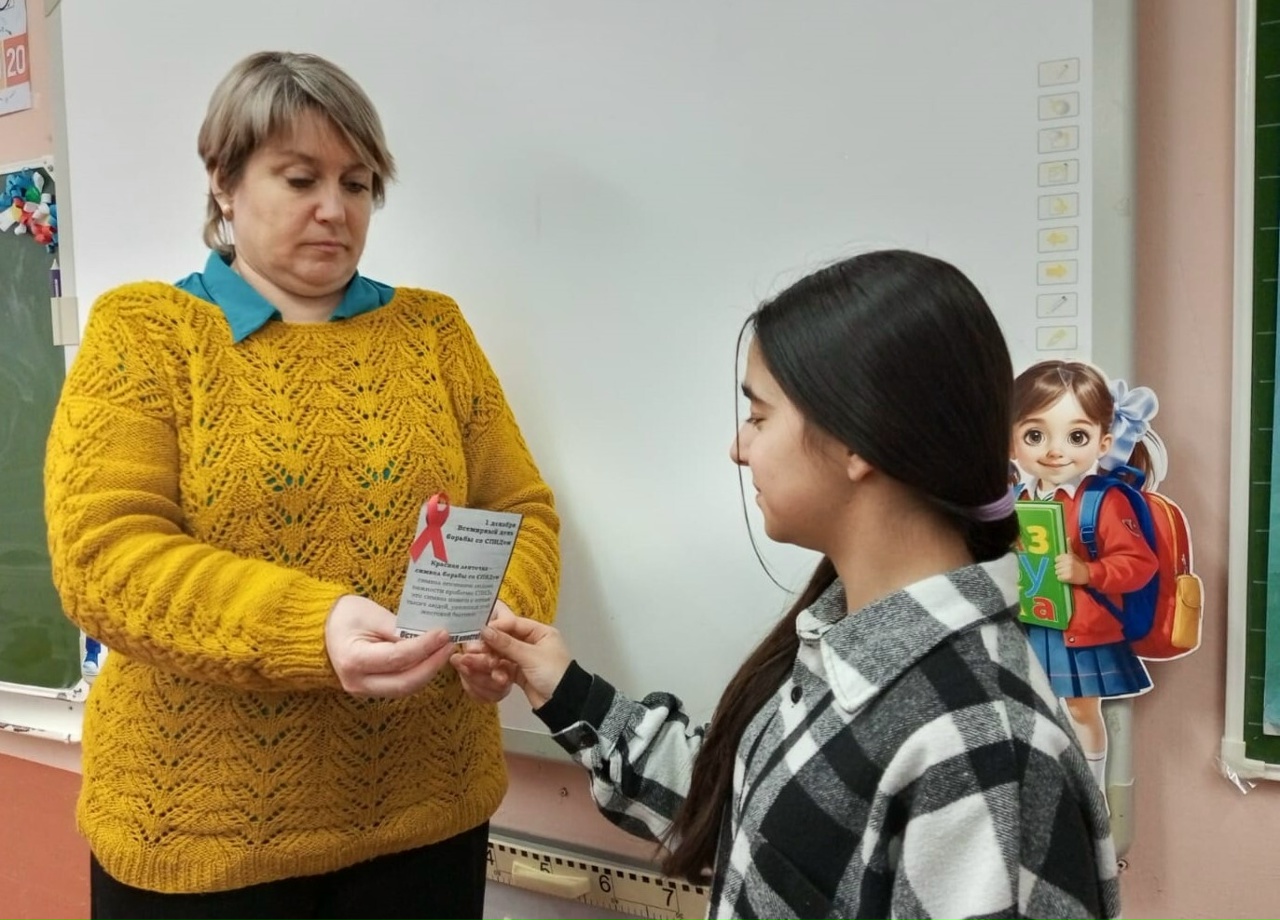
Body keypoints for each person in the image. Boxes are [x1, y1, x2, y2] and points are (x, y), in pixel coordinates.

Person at [43, 51, 559, 920]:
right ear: (223, 181)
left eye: (357, 184)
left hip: (428, 807)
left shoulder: (432, 332)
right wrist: (312, 626)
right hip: (200, 832)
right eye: (300, 178)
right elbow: (105, 558)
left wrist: (499, 622)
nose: (335, 209)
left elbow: (518, 509)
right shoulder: (146, 333)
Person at [458, 251, 1121, 920]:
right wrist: (563, 687)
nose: (739, 447)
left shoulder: (985, 750)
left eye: (760, 417)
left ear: (860, 441)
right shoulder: (847, 638)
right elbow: (759, 818)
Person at [1011, 360, 1158, 794]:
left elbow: (1139, 564)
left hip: (1083, 631)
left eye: (1076, 437)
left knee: (1080, 710)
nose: (1054, 451)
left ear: (1103, 442)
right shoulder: (1017, 498)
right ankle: (1042, 790)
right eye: (1034, 435)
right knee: (1030, 710)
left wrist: (1088, 571)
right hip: (1031, 624)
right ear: (1011, 441)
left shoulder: (1104, 501)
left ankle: (1090, 794)